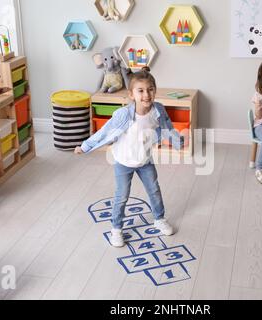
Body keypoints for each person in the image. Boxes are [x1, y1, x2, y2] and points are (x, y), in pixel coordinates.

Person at [75, 67, 184, 247]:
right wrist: (85, 146)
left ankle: (159, 219)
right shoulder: (124, 114)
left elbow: (167, 128)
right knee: (122, 196)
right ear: (132, 94)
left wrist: (178, 142)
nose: (146, 95)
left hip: (145, 160)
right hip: (123, 162)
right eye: (140, 91)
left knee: (154, 190)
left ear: (155, 91)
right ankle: (116, 229)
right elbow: (104, 131)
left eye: (150, 89)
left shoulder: (158, 110)